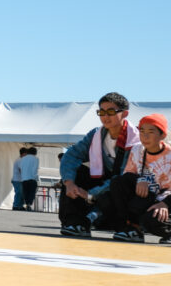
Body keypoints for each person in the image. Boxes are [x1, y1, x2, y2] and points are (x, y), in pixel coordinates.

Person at [58, 91, 140, 237]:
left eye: (111, 111)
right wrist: (69, 182)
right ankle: (76, 224)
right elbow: (71, 155)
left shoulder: (136, 141)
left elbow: (124, 175)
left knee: (122, 182)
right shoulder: (96, 134)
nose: (105, 116)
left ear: (125, 113)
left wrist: (91, 194)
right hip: (104, 183)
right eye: (101, 112)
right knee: (77, 173)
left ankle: (129, 227)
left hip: (124, 187)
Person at [108, 114, 171, 243]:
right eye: (142, 131)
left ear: (162, 135)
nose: (145, 136)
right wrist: (140, 179)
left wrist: (166, 203)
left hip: (166, 200)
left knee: (152, 220)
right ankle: (133, 228)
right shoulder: (137, 149)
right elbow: (127, 176)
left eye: (151, 132)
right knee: (117, 183)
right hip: (149, 196)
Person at [20, 147, 39, 211]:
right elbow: (35, 169)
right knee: (31, 193)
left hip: (24, 178)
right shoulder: (36, 159)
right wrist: (35, 177)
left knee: (26, 192)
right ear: (35, 152)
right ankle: (29, 205)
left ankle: (26, 204)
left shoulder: (23, 158)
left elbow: (21, 168)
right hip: (32, 178)